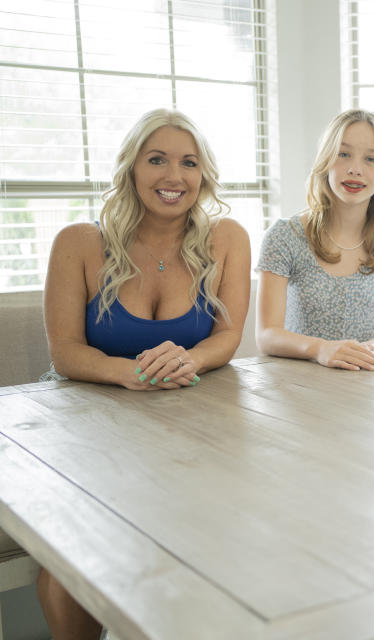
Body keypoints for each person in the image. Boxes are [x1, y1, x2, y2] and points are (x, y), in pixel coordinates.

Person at [39, 108, 251, 638]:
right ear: (132, 168)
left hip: (188, 418)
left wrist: (191, 357)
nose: (173, 177)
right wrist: (125, 372)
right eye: (156, 160)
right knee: (73, 559)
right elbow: (64, 352)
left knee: (218, 537)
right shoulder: (78, 242)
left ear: (204, 175)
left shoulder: (227, 238)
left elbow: (227, 338)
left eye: (188, 163)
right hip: (86, 425)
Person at [256, 109, 374, 369]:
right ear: (326, 161)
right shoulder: (284, 236)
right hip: (294, 384)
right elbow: (267, 335)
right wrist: (320, 349)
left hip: (361, 381)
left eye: (371, 159)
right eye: (343, 154)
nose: (355, 169)